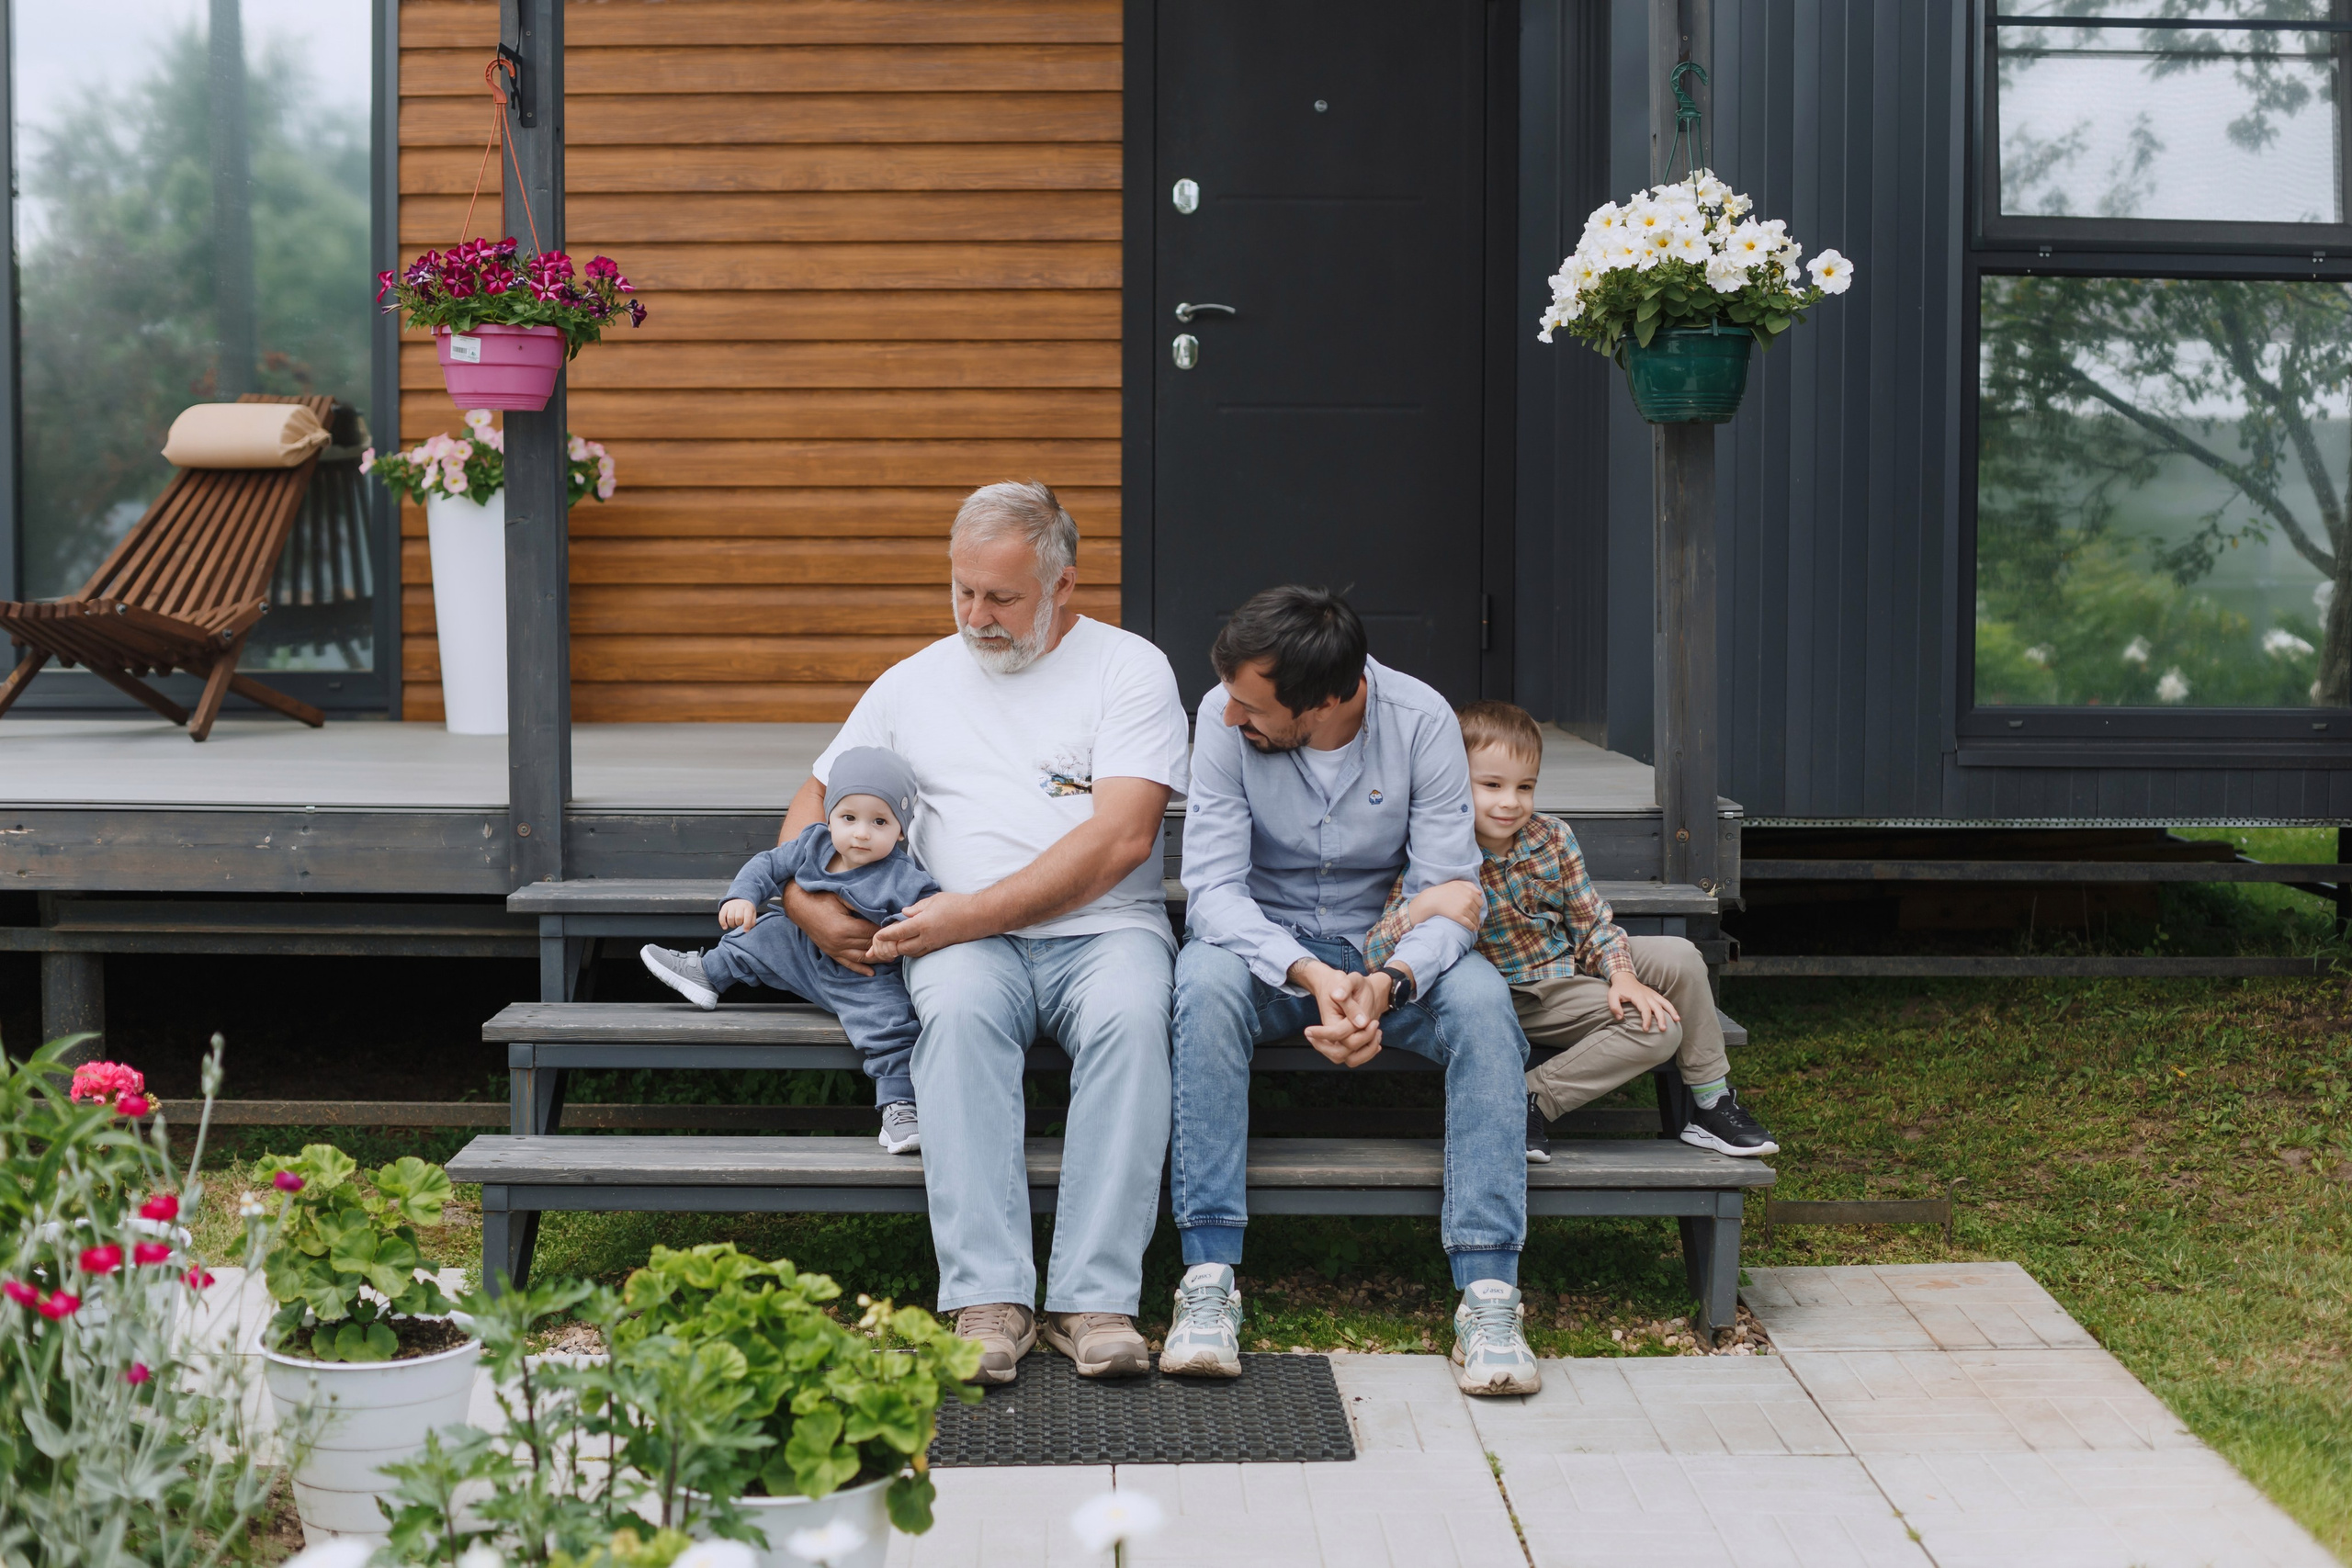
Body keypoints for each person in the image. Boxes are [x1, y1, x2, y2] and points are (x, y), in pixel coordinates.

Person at [769, 479, 1190, 1383]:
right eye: (961, 591)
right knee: (955, 1020)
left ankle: (1095, 1300)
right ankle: (988, 1299)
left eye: (1001, 597)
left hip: (1102, 929)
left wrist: (969, 912)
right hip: (956, 940)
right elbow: (812, 799)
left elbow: (1122, 836)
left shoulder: (1129, 670)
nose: (976, 615)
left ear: (1063, 585)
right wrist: (806, 904)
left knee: (1131, 1019)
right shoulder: (913, 681)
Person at [1161, 586, 1544, 1396]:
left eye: (1252, 706)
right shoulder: (1222, 716)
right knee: (1200, 984)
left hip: (1387, 946)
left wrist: (1387, 979)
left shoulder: (1423, 720)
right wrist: (1307, 970)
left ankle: (1488, 1289)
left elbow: (1451, 890)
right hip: (1268, 949)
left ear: (1327, 699)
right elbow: (1214, 891)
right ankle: (1208, 1278)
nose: (1232, 718)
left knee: (1482, 1005)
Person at [1364, 701, 1778, 1165]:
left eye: (1525, 786)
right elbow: (1376, 949)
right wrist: (1423, 905)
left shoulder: (1552, 837)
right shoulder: (1436, 851)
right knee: (1659, 1031)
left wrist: (1621, 975)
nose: (1510, 801)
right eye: (1492, 785)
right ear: (1455, 783)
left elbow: (1592, 923)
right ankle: (1524, 1098)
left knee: (1681, 956)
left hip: (1566, 964)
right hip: (1515, 995)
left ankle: (1711, 1103)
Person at [638, 746, 938, 1156]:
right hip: (803, 951)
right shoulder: (813, 844)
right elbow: (767, 865)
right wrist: (742, 897)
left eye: (879, 821)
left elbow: (928, 912)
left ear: (901, 831)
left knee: (892, 1029)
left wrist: (895, 935)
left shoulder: (903, 876)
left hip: (864, 976)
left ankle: (900, 1109)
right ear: (829, 816)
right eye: (848, 818)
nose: (861, 833)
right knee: (764, 932)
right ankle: (708, 973)